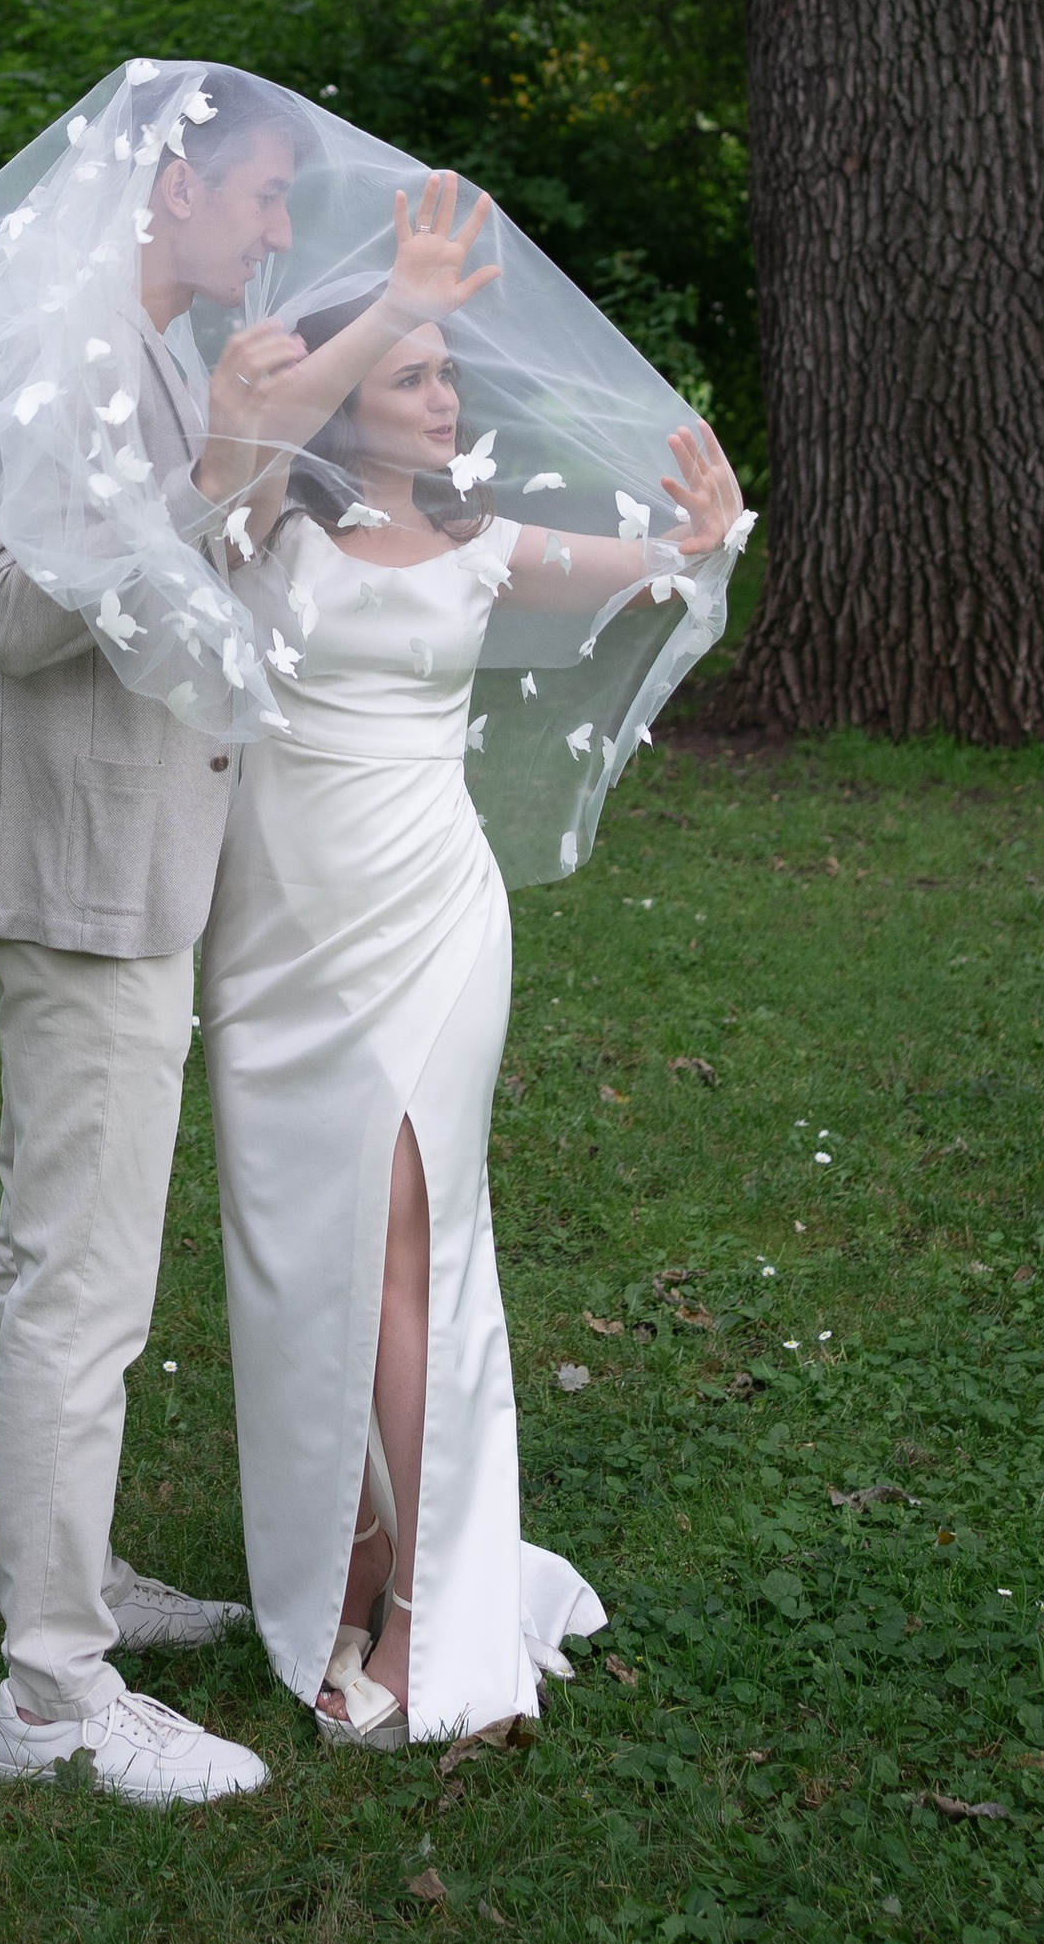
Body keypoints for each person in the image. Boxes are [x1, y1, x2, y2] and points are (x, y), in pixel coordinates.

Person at [200, 176, 748, 1748]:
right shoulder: (260, 525)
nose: (446, 399)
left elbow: (649, 577)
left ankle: (433, 1600)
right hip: (276, 941)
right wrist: (375, 305)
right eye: (411, 376)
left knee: (405, 1243)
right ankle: (345, 1557)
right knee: (296, 1250)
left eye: (449, 372)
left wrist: (699, 541)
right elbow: (224, 483)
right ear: (344, 400)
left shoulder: (478, 542)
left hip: (430, 922)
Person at [0, 61, 318, 1806]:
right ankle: (51, 1694)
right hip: (79, 868)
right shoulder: (63, 352)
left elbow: (190, 592)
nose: (279, 229)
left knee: (71, 1259)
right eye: (265, 196)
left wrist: (250, 475)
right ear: (174, 187)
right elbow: (17, 610)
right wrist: (215, 471)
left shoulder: (150, 346)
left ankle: (85, 1576)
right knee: (79, 1279)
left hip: (139, 852)